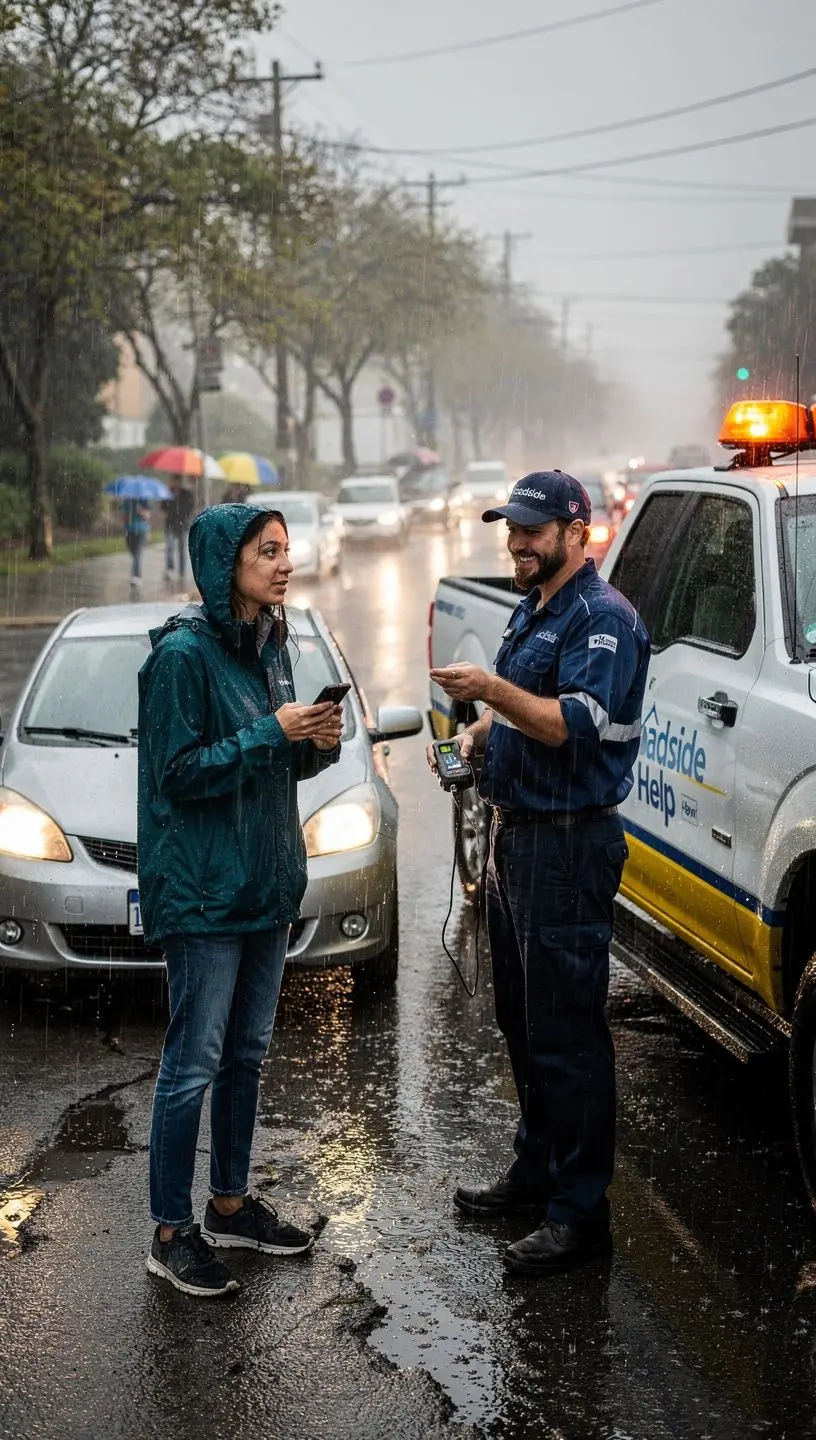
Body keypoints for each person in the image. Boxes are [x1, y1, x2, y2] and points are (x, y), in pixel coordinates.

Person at [428, 471, 650, 1278]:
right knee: (523, 1026)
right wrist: (481, 735)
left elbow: (570, 725)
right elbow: (527, 711)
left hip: (568, 847)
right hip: (520, 840)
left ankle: (580, 1214)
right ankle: (536, 1172)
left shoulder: (602, 620)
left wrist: (490, 690)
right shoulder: (535, 607)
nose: (516, 542)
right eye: (509, 529)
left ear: (574, 531)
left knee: (570, 1038)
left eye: (531, 530)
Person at [137, 503, 343, 1297]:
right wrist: (271, 734)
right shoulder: (183, 658)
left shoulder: (275, 642)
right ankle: (169, 1229)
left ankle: (227, 1203)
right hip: (204, 889)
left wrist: (313, 746)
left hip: (265, 881)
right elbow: (176, 773)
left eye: (288, 550)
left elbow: (277, 763)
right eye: (268, 552)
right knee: (192, 1063)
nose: (285, 564)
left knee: (247, 1055)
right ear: (228, 566)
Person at [163, 476, 195, 582]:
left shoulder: (186, 493)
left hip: (182, 524)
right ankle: (170, 569)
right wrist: (171, 498)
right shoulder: (168, 493)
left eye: (177, 481)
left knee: (181, 550)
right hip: (170, 524)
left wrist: (182, 515)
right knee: (169, 548)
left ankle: (181, 572)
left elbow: (190, 507)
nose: (175, 483)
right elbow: (163, 507)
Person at [122, 496, 151, 594]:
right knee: (133, 552)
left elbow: (147, 516)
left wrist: (141, 512)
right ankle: (136, 573)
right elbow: (123, 516)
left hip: (141, 530)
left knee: (137, 553)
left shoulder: (144, 500)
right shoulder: (127, 501)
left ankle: (136, 575)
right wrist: (128, 516)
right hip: (129, 530)